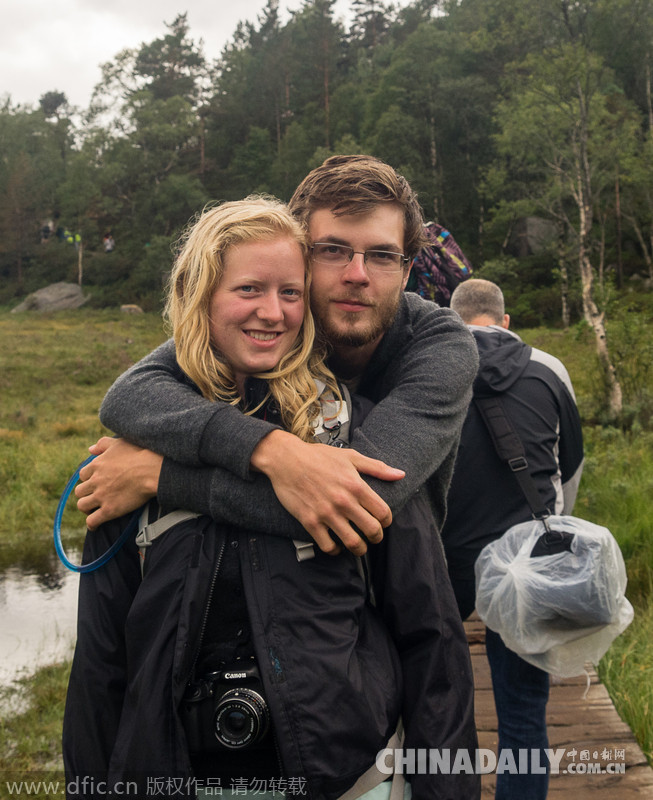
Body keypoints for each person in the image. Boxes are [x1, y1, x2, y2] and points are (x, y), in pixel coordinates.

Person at [63, 196, 480, 800]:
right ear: (200, 295)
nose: (273, 312)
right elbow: (101, 665)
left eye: (289, 293)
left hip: (345, 782)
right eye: (248, 290)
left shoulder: (357, 445)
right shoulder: (133, 459)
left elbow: (433, 645)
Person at [75, 155, 479, 563]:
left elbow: (358, 503)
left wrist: (160, 476)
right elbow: (130, 395)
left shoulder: (441, 345)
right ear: (300, 255)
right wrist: (272, 452)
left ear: (406, 271)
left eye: (382, 256)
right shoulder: (275, 328)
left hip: (410, 597)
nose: (358, 274)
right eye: (334, 250)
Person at [443, 278, 585, 800]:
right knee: (523, 713)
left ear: (451, 320)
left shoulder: (430, 367)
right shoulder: (549, 368)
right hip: (526, 557)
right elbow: (571, 463)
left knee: (431, 700)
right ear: (505, 321)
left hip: (443, 557)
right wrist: (555, 527)